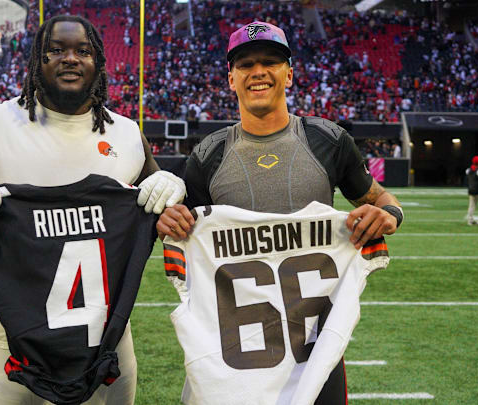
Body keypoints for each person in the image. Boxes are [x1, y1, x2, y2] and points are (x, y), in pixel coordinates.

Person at [0, 15, 185, 405]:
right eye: (56, 50)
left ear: (98, 62)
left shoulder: (126, 133)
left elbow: (163, 204)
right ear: (37, 60)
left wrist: (172, 188)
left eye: (82, 51)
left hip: (105, 338)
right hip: (12, 337)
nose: (70, 59)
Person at [156, 21, 403, 404]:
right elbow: (185, 231)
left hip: (314, 349)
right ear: (231, 78)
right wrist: (171, 222)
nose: (258, 71)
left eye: (270, 61)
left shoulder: (329, 140)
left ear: (289, 73)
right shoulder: (208, 154)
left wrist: (389, 216)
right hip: (234, 352)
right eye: (246, 64)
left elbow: (379, 198)